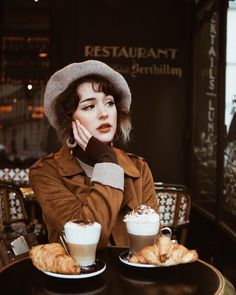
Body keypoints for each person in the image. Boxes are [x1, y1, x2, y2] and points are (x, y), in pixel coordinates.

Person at [29, 60, 158, 249]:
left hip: (136, 275)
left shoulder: (139, 168)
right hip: (77, 277)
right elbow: (88, 242)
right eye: (89, 106)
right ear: (69, 119)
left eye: (109, 103)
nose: (104, 113)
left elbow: (153, 244)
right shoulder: (46, 172)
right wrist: (107, 161)